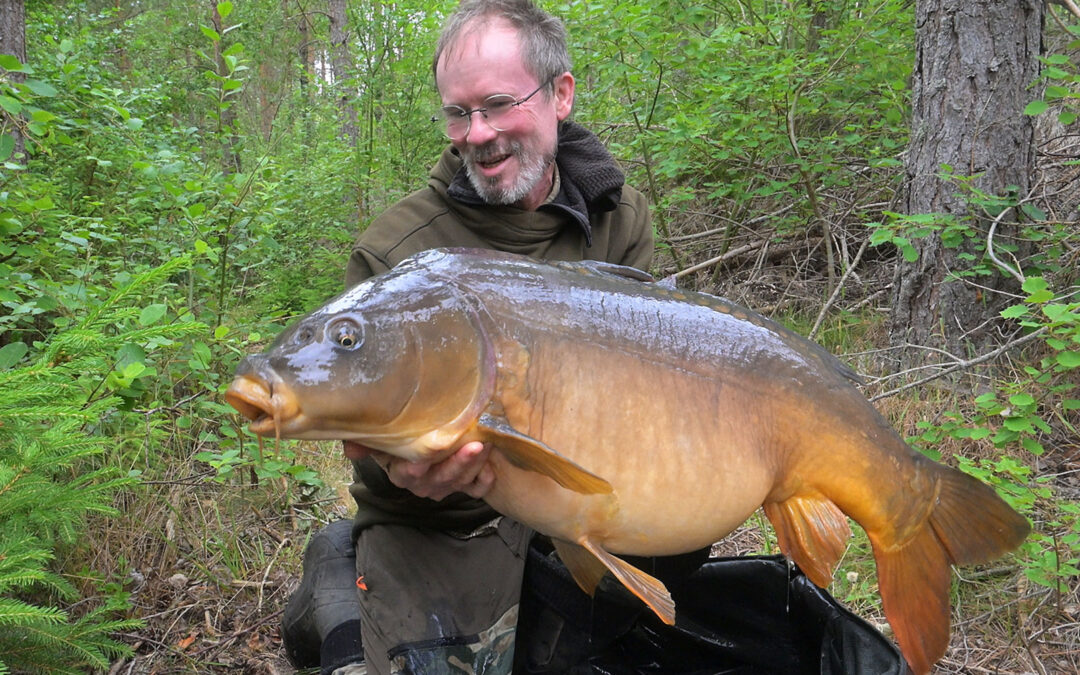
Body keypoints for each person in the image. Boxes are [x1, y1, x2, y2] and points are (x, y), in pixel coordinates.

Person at [282, 1, 653, 674]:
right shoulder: (395, 252)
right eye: (459, 112)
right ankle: (340, 579)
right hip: (440, 526)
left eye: (499, 104)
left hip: (568, 500)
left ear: (560, 94)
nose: (476, 134)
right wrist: (404, 469)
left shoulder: (618, 217)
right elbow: (372, 458)